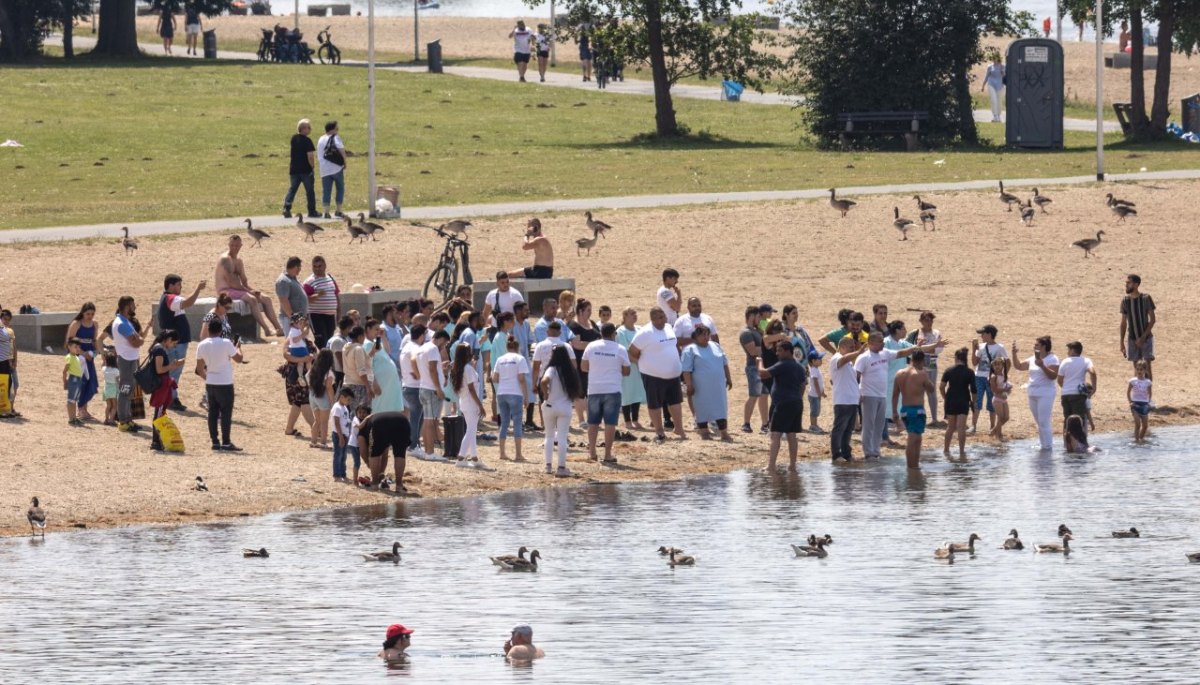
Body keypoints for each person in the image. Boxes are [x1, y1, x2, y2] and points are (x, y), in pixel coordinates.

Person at [855, 331, 939, 459]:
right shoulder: (864, 357)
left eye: (883, 341)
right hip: (868, 394)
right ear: (870, 343)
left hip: (882, 395)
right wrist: (858, 393)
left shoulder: (885, 353)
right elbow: (856, 375)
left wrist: (916, 347)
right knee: (868, 425)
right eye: (879, 341)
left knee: (879, 424)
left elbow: (901, 353)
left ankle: (876, 450)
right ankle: (868, 452)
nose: (883, 343)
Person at [629, 307, 685, 443]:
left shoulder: (668, 327)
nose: (663, 319)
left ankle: (679, 428)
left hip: (673, 374)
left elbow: (674, 346)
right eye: (659, 317)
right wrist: (643, 363)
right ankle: (659, 431)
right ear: (652, 319)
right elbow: (631, 352)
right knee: (655, 404)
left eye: (663, 316)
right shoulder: (645, 333)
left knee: (676, 401)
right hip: (652, 375)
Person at [215, 235, 285, 337]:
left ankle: (278, 328)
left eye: (237, 245)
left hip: (238, 289)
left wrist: (252, 290)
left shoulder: (239, 261)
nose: (234, 248)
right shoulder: (225, 259)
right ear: (228, 245)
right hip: (225, 290)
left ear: (241, 246)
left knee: (266, 299)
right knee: (252, 299)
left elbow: (244, 281)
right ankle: (266, 330)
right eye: (232, 245)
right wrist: (249, 291)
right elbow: (231, 282)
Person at [583, 323, 631, 460]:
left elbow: (584, 367)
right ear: (613, 334)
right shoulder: (620, 349)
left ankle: (592, 452)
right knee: (610, 423)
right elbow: (627, 371)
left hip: (594, 389)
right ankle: (607, 454)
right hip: (612, 389)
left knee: (593, 422)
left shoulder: (591, 346)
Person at [194, 318, 244, 451]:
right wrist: (238, 348)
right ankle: (226, 442)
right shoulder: (226, 343)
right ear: (221, 330)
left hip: (211, 382)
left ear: (208, 330)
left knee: (212, 413)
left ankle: (215, 441)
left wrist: (208, 378)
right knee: (226, 413)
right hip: (225, 382)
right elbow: (239, 359)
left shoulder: (202, 345)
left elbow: (199, 369)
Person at [158, 274, 206, 411]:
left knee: (173, 370)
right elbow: (188, 303)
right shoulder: (171, 298)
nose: (181, 287)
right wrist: (198, 289)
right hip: (176, 343)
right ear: (171, 285)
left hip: (175, 342)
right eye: (178, 284)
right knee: (174, 370)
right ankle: (171, 399)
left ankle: (170, 397)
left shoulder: (167, 298)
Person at [757, 341, 806, 472]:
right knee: (791, 435)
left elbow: (763, 373)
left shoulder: (783, 364)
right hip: (797, 403)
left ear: (787, 351)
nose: (777, 353)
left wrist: (760, 361)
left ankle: (771, 466)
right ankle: (792, 466)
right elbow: (803, 385)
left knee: (775, 434)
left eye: (779, 350)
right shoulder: (799, 366)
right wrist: (797, 397)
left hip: (783, 404)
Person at [681, 324, 731, 441]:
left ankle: (724, 433)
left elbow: (724, 363)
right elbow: (686, 370)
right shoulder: (690, 350)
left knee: (721, 407)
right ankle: (704, 432)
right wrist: (689, 385)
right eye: (702, 334)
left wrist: (728, 378)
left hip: (718, 385)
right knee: (701, 407)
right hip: (700, 387)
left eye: (707, 334)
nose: (705, 336)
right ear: (695, 337)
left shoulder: (716, 345)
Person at [1011, 336, 1060, 452]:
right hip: (1032, 393)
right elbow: (1018, 366)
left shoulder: (1053, 359)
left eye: (1037, 345)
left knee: (1044, 421)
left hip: (1045, 393)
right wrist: (1014, 354)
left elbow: (1053, 376)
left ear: (1044, 346)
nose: (1034, 346)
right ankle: (1044, 445)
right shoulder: (1033, 358)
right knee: (1039, 422)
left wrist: (1042, 365)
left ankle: (1047, 447)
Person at [541, 345, 582, 476]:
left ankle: (548, 466)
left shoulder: (552, 369)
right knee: (562, 438)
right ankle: (561, 467)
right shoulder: (570, 370)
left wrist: (546, 395)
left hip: (550, 405)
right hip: (565, 407)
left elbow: (544, 381)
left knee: (549, 436)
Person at [112, 296, 150, 433]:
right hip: (126, 360)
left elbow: (138, 339)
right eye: (133, 305)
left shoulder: (125, 321)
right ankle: (123, 420)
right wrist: (139, 340)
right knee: (125, 389)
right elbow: (136, 342)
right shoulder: (121, 323)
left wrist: (139, 339)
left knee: (129, 390)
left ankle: (127, 418)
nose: (135, 307)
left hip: (130, 358)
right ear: (127, 306)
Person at [892, 350, 935, 469]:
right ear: (922, 360)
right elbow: (931, 389)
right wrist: (927, 375)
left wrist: (894, 411)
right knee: (913, 438)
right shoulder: (921, 374)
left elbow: (895, 394)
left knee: (917, 438)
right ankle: (911, 468)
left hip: (904, 410)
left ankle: (915, 467)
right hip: (917, 410)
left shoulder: (900, 373)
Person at [492, 337, 530, 461]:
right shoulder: (520, 359)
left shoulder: (500, 359)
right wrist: (526, 396)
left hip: (501, 392)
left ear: (507, 347)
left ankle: (502, 453)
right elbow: (521, 379)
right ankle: (518, 454)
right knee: (517, 423)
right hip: (515, 392)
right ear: (517, 347)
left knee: (504, 423)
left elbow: (495, 378)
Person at [829, 337, 866, 461]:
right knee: (839, 428)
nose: (853, 349)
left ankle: (846, 453)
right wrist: (858, 353)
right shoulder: (836, 358)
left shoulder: (849, 362)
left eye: (853, 347)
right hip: (842, 400)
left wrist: (858, 394)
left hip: (851, 400)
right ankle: (836, 453)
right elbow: (843, 360)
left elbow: (852, 380)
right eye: (851, 347)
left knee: (848, 429)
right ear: (842, 347)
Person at [356, 411, 412, 491]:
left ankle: (374, 483)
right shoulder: (374, 417)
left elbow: (363, 449)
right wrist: (380, 472)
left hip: (378, 424)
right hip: (403, 420)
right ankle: (399, 485)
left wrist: (368, 462)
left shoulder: (363, 430)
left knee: (374, 454)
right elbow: (384, 453)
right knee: (400, 454)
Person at [147, 330, 183, 451]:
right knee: (159, 413)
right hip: (161, 385)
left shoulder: (158, 348)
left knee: (160, 412)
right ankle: (155, 441)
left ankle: (157, 440)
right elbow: (159, 370)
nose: (174, 346)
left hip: (162, 384)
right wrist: (173, 366)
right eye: (174, 343)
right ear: (168, 340)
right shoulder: (159, 350)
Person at [64, 302, 101, 420]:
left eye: (92, 314)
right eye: (88, 313)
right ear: (83, 313)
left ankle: (84, 408)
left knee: (90, 382)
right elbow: (70, 342)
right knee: (81, 382)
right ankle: (79, 410)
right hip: (78, 358)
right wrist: (82, 353)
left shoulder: (94, 324)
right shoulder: (76, 324)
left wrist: (96, 351)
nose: (90, 316)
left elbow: (94, 340)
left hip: (89, 357)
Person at [906, 311, 943, 426]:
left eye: (931, 320)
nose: (929, 323)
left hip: (931, 365)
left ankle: (934, 418)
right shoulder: (914, 333)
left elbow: (939, 349)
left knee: (931, 392)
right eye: (926, 320)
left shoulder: (936, 333)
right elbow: (908, 348)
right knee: (918, 392)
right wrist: (929, 349)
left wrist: (924, 348)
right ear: (921, 321)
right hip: (918, 366)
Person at [568, 299, 601, 427]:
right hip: (579, 361)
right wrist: (594, 345)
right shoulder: (573, 325)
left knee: (590, 390)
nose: (590, 312)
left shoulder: (592, 323)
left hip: (594, 362)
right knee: (580, 390)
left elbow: (599, 336)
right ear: (580, 311)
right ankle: (581, 419)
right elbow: (577, 344)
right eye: (588, 310)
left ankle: (591, 417)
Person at [417, 330, 450, 458]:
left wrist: (442, 368)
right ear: (440, 339)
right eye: (445, 343)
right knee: (430, 423)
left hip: (425, 387)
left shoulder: (423, 348)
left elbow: (430, 368)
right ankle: (430, 452)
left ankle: (428, 451)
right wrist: (438, 389)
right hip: (431, 390)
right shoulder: (433, 349)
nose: (444, 346)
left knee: (427, 421)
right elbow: (432, 369)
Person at [452, 342, 486, 466]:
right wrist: (480, 405)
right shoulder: (468, 368)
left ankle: (474, 457)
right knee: (471, 430)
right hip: (471, 403)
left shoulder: (459, 367)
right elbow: (472, 388)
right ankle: (461, 457)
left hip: (464, 402)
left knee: (472, 429)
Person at [970, 324, 1007, 434]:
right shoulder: (981, 347)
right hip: (979, 377)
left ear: (989, 334)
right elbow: (974, 363)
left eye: (983, 333)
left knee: (992, 403)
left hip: (992, 378)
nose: (981, 336)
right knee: (977, 401)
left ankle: (992, 427)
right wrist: (973, 350)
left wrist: (1003, 376)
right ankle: (973, 426)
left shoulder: (999, 347)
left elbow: (1006, 362)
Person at [939, 347, 976, 458]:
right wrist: (973, 403)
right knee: (961, 427)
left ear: (956, 358)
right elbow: (973, 390)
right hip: (963, 399)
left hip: (951, 399)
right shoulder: (969, 372)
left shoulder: (949, 370)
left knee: (950, 427)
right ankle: (961, 452)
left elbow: (941, 386)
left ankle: (946, 450)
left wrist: (945, 397)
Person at [1120, 274, 1156, 381]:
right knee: (1137, 368)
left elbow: (1153, 319)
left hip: (1147, 338)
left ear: (1136, 285)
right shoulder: (1125, 301)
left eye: (1128, 283)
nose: (1126, 285)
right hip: (1132, 338)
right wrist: (1121, 342)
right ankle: (1138, 393)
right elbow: (1123, 323)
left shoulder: (1146, 298)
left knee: (1147, 366)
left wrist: (1143, 337)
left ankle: (1147, 393)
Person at [365, 319, 405, 414]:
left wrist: (383, 336)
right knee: (380, 409)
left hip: (389, 383)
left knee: (391, 409)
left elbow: (388, 351)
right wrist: (374, 383)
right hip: (380, 382)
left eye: (379, 329)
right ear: (368, 329)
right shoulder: (367, 344)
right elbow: (367, 365)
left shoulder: (377, 342)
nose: (378, 331)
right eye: (375, 329)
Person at [738, 306, 768, 433]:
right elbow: (753, 351)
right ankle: (746, 423)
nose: (760, 319)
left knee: (764, 395)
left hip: (762, 367)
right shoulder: (746, 333)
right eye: (758, 317)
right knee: (754, 395)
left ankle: (765, 423)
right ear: (752, 316)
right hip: (753, 367)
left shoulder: (756, 331)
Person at [1057, 341, 1097, 437]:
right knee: (1078, 420)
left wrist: (1066, 387)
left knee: (1067, 420)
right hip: (1078, 395)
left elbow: (1059, 379)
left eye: (1068, 350)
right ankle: (1079, 444)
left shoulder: (1065, 361)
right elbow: (1092, 372)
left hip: (1065, 394)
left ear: (1072, 350)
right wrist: (1094, 388)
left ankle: (1067, 444)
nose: (1067, 352)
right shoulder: (1086, 361)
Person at [400, 324, 428, 457]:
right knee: (416, 418)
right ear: (421, 335)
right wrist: (418, 374)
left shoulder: (406, 346)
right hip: (415, 386)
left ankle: (414, 443)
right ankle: (413, 445)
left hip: (407, 385)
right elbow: (413, 360)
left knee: (416, 417)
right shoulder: (415, 348)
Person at [883, 320, 914, 441]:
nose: (906, 331)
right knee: (885, 407)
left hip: (900, 380)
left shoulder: (902, 342)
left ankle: (895, 425)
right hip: (887, 379)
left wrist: (935, 345)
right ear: (897, 330)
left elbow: (916, 349)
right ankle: (885, 434)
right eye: (903, 329)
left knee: (896, 405)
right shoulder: (886, 342)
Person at [617, 307, 646, 430]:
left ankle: (635, 419)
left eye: (635, 313)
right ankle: (627, 421)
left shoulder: (640, 329)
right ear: (624, 317)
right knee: (627, 393)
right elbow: (624, 350)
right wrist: (637, 361)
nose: (634, 315)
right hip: (628, 366)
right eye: (631, 314)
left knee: (637, 392)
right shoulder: (621, 331)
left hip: (640, 366)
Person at [283, 118, 318, 219]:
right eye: (309, 127)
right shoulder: (307, 141)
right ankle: (312, 211)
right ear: (303, 129)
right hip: (305, 170)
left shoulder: (294, 138)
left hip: (294, 169)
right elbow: (310, 156)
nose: (310, 129)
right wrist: (312, 166)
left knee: (292, 189)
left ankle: (287, 208)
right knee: (310, 191)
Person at [305, 256, 339, 349]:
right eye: (314, 266)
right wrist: (317, 296)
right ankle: (323, 361)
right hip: (316, 315)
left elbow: (336, 295)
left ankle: (329, 361)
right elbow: (304, 299)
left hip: (330, 315)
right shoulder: (309, 281)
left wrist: (339, 312)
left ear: (324, 266)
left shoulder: (330, 278)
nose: (317, 269)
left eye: (319, 266)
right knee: (321, 340)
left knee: (330, 340)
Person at [316, 121, 348, 219]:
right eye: (337, 129)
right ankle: (338, 210)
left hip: (324, 169)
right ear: (332, 130)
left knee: (326, 190)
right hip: (336, 168)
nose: (337, 131)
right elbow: (341, 150)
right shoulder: (335, 137)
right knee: (340, 188)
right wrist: (345, 162)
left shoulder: (320, 139)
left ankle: (326, 212)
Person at [276, 256, 311, 337]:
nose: (300, 269)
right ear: (296, 267)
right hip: (291, 320)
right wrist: (294, 318)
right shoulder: (283, 281)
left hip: (299, 320)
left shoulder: (293, 279)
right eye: (299, 267)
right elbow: (284, 301)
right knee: (293, 344)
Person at [308, 349, 336, 448]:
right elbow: (329, 388)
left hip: (312, 396)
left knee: (317, 420)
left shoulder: (313, 369)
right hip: (322, 397)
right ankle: (323, 442)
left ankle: (313, 441)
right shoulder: (329, 373)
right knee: (324, 421)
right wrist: (333, 402)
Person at [331, 387, 357, 482]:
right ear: (342, 397)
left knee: (343, 455)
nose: (349, 402)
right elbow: (337, 423)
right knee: (338, 455)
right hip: (338, 435)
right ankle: (337, 475)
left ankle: (343, 474)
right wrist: (341, 437)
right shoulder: (337, 408)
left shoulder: (345, 407)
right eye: (348, 399)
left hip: (344, 435)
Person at [63, 337, 87, 426]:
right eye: (75, 347)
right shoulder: (70, 357)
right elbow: (65, 371)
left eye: (78, 347)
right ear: (69, 346)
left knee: (74, 400)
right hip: (73, 379)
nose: (77, 349)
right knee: (71, 400)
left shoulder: (76, 357)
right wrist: (65, 382)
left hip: (78, 379)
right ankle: (71, 419)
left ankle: (74, 418)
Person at [988, 358, 1012, 441]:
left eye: (999, 364)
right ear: (993, 366)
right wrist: (1006, 390)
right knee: (1000, 417)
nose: (997, 366)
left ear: (1002, 366)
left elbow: (1009, 363)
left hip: (1004, 399)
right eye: (995, 365)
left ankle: (994, 431)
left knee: (1006, 418)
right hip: (997, 399)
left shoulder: (1004, 375)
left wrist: (1008, 389)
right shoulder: (993, 376)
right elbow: (994, 390)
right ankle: (998, 436)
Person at [1128, 360, 1152, 442]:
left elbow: (1150, 393)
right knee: (1138, 424)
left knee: (1145, 426)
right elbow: (1128, 392)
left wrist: (1149, 403)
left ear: (1145, 370)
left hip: (1144, 404)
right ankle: (1136, 440)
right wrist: (1130, 402)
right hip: (1135, 404)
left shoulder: (1148, 382)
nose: (1139, 371)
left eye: (1141, 369)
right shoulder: (1132, 381)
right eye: (1137, 369)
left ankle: (1141, 439)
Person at [0, 309, 15, 419]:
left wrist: (11, 360)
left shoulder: (4, 328)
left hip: (5, 361)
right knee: (2, 386)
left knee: (6, 385)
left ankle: (5, 409)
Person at [983, 53, 1005, 123]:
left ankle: (998, 116)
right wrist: (983, 85)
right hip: (991, 84)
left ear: (998, 58)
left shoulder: (1003, 66)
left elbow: (1004, 75)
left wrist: (1002, 71)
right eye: (993, 58)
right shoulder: (990, 66)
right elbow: (987, 76)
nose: (994, 60)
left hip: (1000, 85)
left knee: (999, 101)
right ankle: (995, 116)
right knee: (993, 100)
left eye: (995, 58)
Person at [806, 350, 825, 433]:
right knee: (814, 410)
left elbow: (820, 383)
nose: (821, 360)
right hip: (814, 395)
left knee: (816, 410)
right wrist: (818, 392)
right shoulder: (814, 370)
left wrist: (822, 392)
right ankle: (812, 425)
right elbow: (815, 381)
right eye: (819, 359)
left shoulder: (816, 369)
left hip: (816, 394)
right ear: (813, 361)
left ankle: (815, 424)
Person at [101, 348, 119, 425]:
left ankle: (106, 419)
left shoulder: (104, 369)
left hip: (106, 388)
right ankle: (111, 420)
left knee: (108, 405)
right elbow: (117, 380)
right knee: (114, 406)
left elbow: (103, 365)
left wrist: (104, 359)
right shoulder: (116, 371)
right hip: (114, 389)